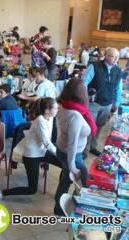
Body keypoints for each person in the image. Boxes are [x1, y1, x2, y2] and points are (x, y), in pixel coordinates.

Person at [0, 97, 61, 202]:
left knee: (65, 164)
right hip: (32, 156)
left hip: (42, 151)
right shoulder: (40, 121)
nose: (57, 110)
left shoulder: (51, 118)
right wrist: (59, 154)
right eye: (55, 108)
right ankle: (0, 193)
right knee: (32, 189)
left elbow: (49, 140)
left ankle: (60, 195)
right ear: (47, 111)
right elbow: (47, 143)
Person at [53, 78, 97, 216]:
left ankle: (58, 208)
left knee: (66, 178)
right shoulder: (75, 115)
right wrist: (72, 165)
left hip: (62, 150)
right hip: (72, 154)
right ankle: (87, 211)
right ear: (82, 94)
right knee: (85, 181)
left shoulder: (63, 106)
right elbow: (72, 144)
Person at [82, 47, 122, 157]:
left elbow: (119, 88)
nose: (116, 59)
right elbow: (83, 82)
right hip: (93, 103)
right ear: (107, 56)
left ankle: (93, 147)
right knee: (89, 126)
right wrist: (85, 98)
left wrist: (117, 103)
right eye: (114, 56)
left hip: (107, 104)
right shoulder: (94, 66)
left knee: (99, 126)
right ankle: (84, 149)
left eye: (117, 57)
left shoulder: (118, 71)